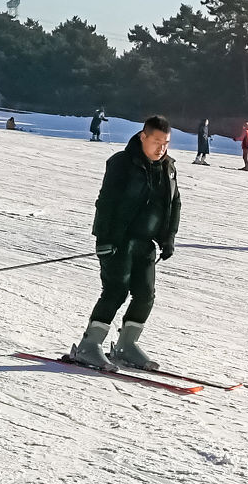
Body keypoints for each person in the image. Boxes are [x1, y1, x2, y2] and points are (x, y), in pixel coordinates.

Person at [66, 114, 182, 371]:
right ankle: (89, 345)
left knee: (145, 294)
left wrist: (169, 237)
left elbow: (173, 205)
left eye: (165, 143)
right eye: (156, 141)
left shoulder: (168, 167)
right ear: (143, 136)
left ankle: (126, 345)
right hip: (119, 241)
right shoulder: (122, 163)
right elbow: (106, 203)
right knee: (116, 290)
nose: (161, 148)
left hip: (146, 243)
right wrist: (104, 239)